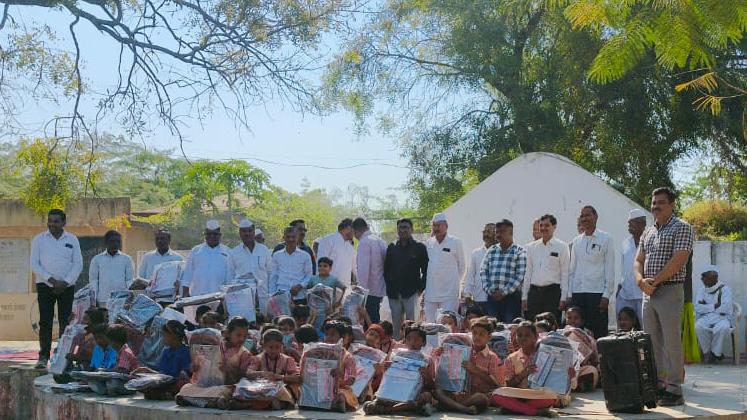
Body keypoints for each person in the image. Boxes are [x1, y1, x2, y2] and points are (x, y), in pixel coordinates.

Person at [635, 187, 694, 406]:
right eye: (653, 203)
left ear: (672, 205)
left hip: (669, 289)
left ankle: (674, 390)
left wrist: (655, 281)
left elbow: (679, 259)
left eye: (661, 202)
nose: (655, 206)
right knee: (651, 342)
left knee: (671, 342)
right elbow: (638, 260)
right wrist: (640, 281)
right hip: (648, 292)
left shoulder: (682, 227)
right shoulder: (648, 232)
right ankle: (658, 385)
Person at [30, 209, 83, 369]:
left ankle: (62, 357)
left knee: (65, 322)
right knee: (45, 321)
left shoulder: (72, 239)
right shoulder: (39, 239)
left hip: (66, 287)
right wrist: (51, 280)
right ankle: (43, 357)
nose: (52, 224)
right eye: (50, 221)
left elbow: (78, 264)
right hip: (45, 285)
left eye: (56, 221)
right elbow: (34, 264)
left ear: (63, 223)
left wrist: (65, 282)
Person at [362, 323, 436, 416]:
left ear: (424, 343)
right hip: (397, 392)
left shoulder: (427, 360)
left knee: (426, 396)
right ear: (405, 341)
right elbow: (387, 381)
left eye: (417, 339)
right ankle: (407, 409)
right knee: (376, 400)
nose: (412, 342)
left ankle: (386, 410)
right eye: (409, 339)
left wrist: (427, 376)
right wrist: (387, 369)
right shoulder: (397, 356)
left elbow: (432, 386)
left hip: (415, 394)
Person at [433, 316, 501, 414]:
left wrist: (475, 370)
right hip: (457, 394)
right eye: (474, 333)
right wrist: (442, 353)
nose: (477, 337)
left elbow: (496, 384)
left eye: (481, 334)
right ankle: (463, 408)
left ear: (489, 337)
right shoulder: (462, 349)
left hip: (474, 396)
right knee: (438, 392)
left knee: (481, 398)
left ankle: (450, 406)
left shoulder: (492, 357)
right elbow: (443, 369)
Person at [568, 205, 614, 340]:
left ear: (596, 216)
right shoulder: (577, 241)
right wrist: (570, 294)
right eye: (582, 216)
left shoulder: (606, 239)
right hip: (578, 293)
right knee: (577, 335)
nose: (584, 218)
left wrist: (606, 295)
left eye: (587, 215)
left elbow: (610, 268)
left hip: (597, 294)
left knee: (597, 334)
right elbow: (572, 269)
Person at [491, 321, 556, 417]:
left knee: (551, 396)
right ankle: (533, 411)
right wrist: (522, 375)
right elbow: (508, 384)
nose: (523, 338)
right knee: (497, 394)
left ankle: (515, 408)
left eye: (527, 335)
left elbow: (554, 380)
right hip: (519, 394)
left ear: (536, 337)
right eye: (520, 335)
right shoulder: (511, 358)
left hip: (537, 394)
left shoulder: (544, 355)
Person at [384, 218, 428, 338]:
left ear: (412, 229)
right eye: (400, 227)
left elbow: (426, 270)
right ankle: (397, 348)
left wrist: (420, 288)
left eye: (406, 227)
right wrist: (389, 288)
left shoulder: (419, 247)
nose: (403, 230)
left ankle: (411, 347)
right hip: (394, 294)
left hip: (411, 293)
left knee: (412, 326)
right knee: (396, 328)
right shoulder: (392, 247)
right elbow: (386, 270)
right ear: (397, 230)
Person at [235, 329, 301, 410]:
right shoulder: (257, 358)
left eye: (277, 347)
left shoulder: (288, 360)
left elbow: (297, 378)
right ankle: (271, 404)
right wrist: (261, 373)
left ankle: (250, 404)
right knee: (243, 385)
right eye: (270, 347)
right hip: (260, 388)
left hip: (279, 389)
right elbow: (248, 373)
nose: (274, 350)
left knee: (289, 388)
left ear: (282, 346)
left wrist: (279, 377)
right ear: (264, 346)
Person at [522, 214, 569, 322]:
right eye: (541, 225)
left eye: (547, 225)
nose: (543, 228)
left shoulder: (562, 247)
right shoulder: (531, 247)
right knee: (532, 325)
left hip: (552, 293)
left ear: (554, 227)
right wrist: (524, 297)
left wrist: (563, 298)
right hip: (534, 293)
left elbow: (565, 273)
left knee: (551, 326)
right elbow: (528, 273)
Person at [479, 219, 527, 322]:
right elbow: (483, 271)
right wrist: (489, 290)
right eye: (497, 232)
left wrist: (504, 292)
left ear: (511, 232)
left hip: (511, 298)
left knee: (510, 327)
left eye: (502, 231)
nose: (498, 235)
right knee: (492, 327)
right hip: (492, 297)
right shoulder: (491, 250)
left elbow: (520, 275)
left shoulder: (520, 251)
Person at [132, 320, 191, 400]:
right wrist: (147, 371)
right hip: (165, 382)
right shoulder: (166, 351)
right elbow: (162, 374)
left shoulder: (186, 351)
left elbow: (184, 374)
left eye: (164, 335)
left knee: (182, 384)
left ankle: (163, 394)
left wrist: (183, 374)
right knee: (138, 381)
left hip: (175, 382)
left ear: (173, 336)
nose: (162, 338)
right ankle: (163, 394)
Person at [424, 213, 466, 322]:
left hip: (449, 293)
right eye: (434, 225)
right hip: (431, 292)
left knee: (447, 325)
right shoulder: (429, 243)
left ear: (446, 226)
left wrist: (455, 283)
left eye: (439, 225)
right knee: (430, 325)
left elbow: (462, 266)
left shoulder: (455, 242)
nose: (436, 228)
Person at [227, 218, 271, 313]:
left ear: (254, 231)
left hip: (263, 296)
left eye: (250, 231)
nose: (247, 234)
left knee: (264, 319)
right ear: (240, 233)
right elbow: (230, 277)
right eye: (244, 231)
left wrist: (271, 294)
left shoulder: (264, 250)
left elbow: (270, 273)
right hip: (243, 297)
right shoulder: (234, 253)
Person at [181, 220, 231, 298]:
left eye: (215, 234)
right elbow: (187, 274)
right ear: (204, 235)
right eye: (209, 234)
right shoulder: (196, 251)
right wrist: (185, 294)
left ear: (220, 235)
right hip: (197, 296)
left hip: (220, 297)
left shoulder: (228, 252)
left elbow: (230, 277)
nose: (212, 236)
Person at [694, 265, 733, 363]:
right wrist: (714, 306)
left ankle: (716, 353)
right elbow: (697, 307)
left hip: (722, 317)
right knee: (698, 326)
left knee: (723, 328)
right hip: (706, 317)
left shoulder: (725, 289)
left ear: (714, 278)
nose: (702, 280)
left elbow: (725, 307)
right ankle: (708, 352)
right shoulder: (702, 290)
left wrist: (706, 307)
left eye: (704, 277)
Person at [353, 217, 388, 324]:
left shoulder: (364, 242)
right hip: (379, 287)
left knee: (369, 320)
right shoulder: (380, 241)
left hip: (368, 290)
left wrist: (361, 292)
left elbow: (363, 270)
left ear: (355, 230)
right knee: (375, 317)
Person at [89, 230, 134, 307]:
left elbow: (129, 280)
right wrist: (94, 298)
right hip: (103, 300)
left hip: (121, 301)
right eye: (112, 241)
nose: (116, 244)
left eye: (118, 241)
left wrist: (129, 299)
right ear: (106, 242)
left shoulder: (127, 259)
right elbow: (93, 281)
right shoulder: (97, 259)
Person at [617, 209, 647, 326]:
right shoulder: (625, 243)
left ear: (642, 223)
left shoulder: (650, 241)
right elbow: (624, 267)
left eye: (632, 222)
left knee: (646, 329)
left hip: (644, 295)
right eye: (628, 222)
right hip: (625, 294)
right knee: (623, 328)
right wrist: (620, 286)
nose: (629, 225)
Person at [270, 227, 313, 305]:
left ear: (297, 238)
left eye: (293, 237)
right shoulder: (276, 255)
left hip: (300, 296)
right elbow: (273, 276)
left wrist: (300, 286)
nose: (291, 239)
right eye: (288, 237)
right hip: (281, 295)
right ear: (283, 238)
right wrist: (272, 295)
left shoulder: (305, 256)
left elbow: (309, 275)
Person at [462, 223, 497, 318]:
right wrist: (467, 294)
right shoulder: (476, 253)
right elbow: (471, 275)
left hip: (496, 301)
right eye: (484, 231)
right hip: (479, 299)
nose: (486, 234)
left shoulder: (502, 252)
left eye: (489, 232)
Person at [316, 218, 356, 287]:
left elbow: (355, 268)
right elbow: (320, 264)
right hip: (328, 287)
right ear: (348, 228)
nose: (355, 233)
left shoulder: (350, 248)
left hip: (345, 288)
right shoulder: (328, 240)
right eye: (354, 230)